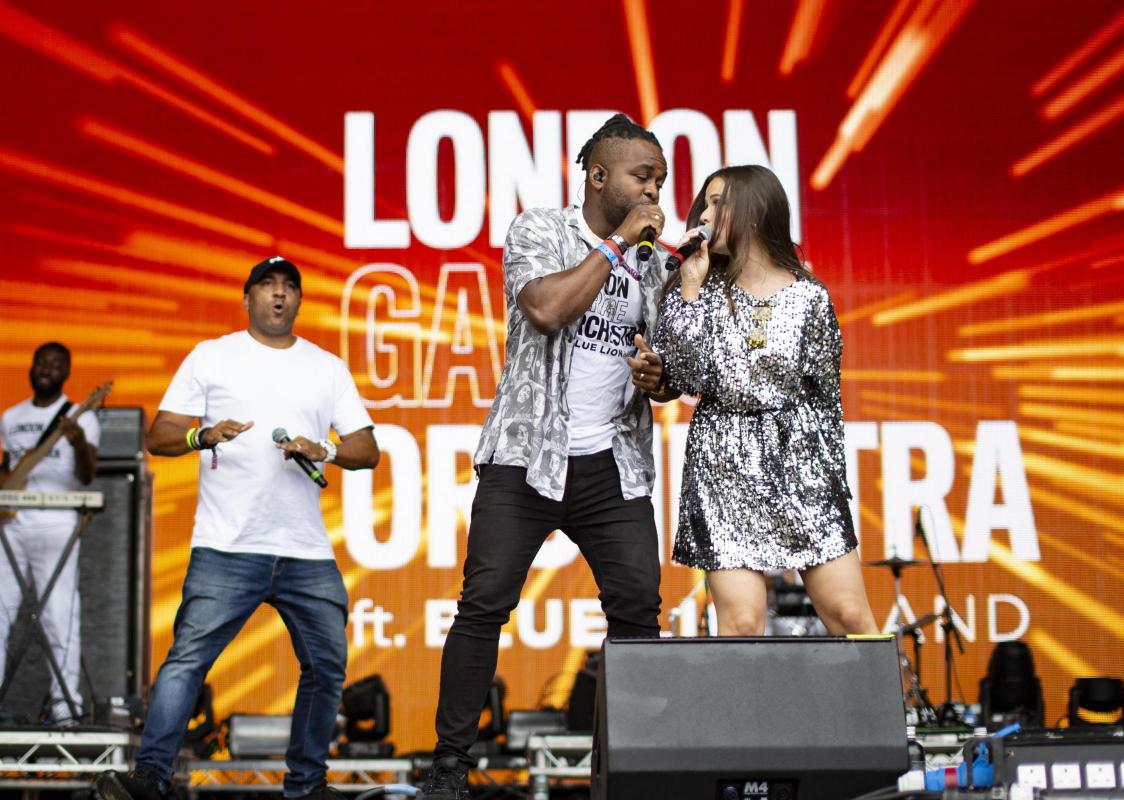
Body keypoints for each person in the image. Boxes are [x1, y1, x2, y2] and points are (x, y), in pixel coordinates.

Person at [416, 114, 671, 800]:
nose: (654, 189)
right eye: (641, 175)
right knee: (484, 604)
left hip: (614, 464)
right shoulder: (539, 230)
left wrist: (660, 378)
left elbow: (672, 367)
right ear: (597, 175)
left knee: (637, 611)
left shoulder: (661, 261)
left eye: (660, 179)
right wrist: (618, 244)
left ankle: (629, 772)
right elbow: (548, 309)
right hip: (527, 456)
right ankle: (448, 767)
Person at [96, 256, 379, 800]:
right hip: (227, 545)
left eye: (289, 287)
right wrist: (203, 436)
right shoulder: (212, 357)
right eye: (267, 286)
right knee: (187, 661)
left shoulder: (326, 367)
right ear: (246, 297)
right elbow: (158, 436)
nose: (279, 295)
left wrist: (328, 449)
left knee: (326, 667)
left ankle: (307, 785)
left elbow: (368, 450)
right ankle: (150, 778)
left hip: (305, 550)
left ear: (299, 300)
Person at [654, 165, 878, 639]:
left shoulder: (810, 296)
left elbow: (827, 403)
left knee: (850, 617)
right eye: (705, 203)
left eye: (719, 203)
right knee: (741, 624)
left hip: (802, 465)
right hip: (723, 463)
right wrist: (690, 287)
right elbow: (684, 376)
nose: (705, 213)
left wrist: (830, 489)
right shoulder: (697, 288)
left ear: (754, 213)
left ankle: (882, 717)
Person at [0, 342, 99, 724]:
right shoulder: (11, 417)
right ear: (32, 366)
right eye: (41, 361)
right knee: (1, 611)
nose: (46, 368)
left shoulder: (82, 416)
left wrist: (75, 440)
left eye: (56, 364)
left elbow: (88, 474)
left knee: (60, 613)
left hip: (58, 521)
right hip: (12, 523)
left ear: (66, 372)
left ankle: (64, 707)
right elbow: (9, 469)